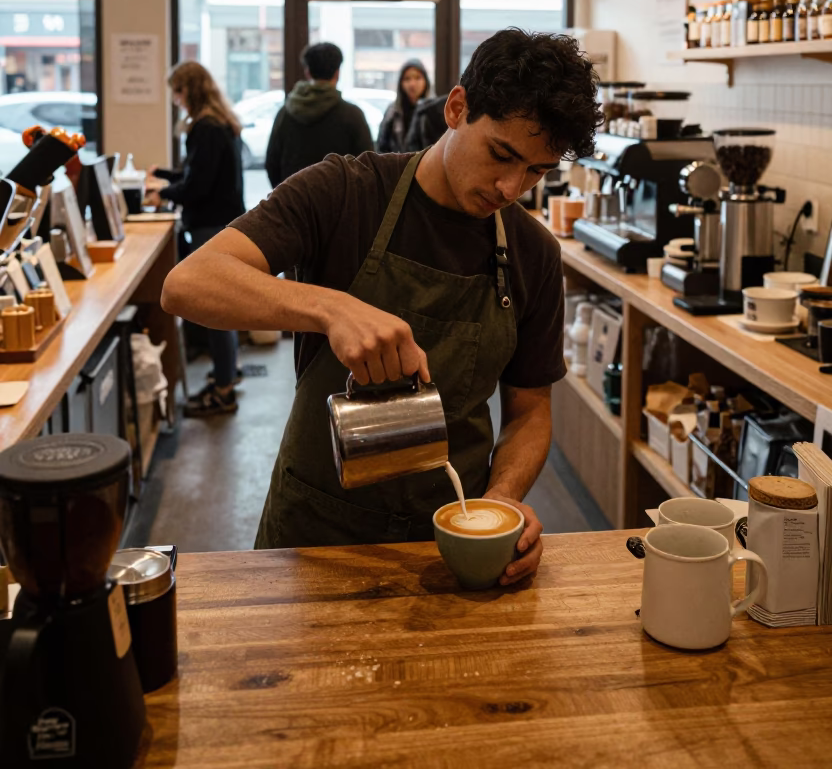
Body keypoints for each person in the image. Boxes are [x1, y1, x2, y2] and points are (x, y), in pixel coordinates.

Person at [161, 29, 601, 585]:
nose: (512, 187)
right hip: (316, 534)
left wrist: (503, 501)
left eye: (537, 170)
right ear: (457, 108)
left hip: (452, 543)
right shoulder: (345, 191)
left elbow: (531, 411)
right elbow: (188, 283)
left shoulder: (532, 252)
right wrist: (331, 309)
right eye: (501, 154)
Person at [146, 61, 245, 418]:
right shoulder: (221, 123)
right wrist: (164, 176)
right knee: (225, 306)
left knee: (216, 309)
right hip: (225, 221)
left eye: (177, 91)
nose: (176, 99)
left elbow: (197, 186)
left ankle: (223, 391)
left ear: (189, 90)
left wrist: (162, 194)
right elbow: (198, 173)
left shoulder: (205, 127)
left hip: (210, 226)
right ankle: (227, 373)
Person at [265, 42, 374, 187]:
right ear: (337, 73)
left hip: (295, 198)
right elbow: (367, 166)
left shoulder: (286, 113)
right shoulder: (353, 115)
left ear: (307, 72)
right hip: (339, 199)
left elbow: (272, 163)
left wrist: (286, 195)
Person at [376, 60, 430, 153]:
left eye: (418, 78)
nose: (412, 84)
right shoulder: (393, 112)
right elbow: (382, 146)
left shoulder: (432, 110)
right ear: (400, 83)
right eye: (407, 79)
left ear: (426, 81)